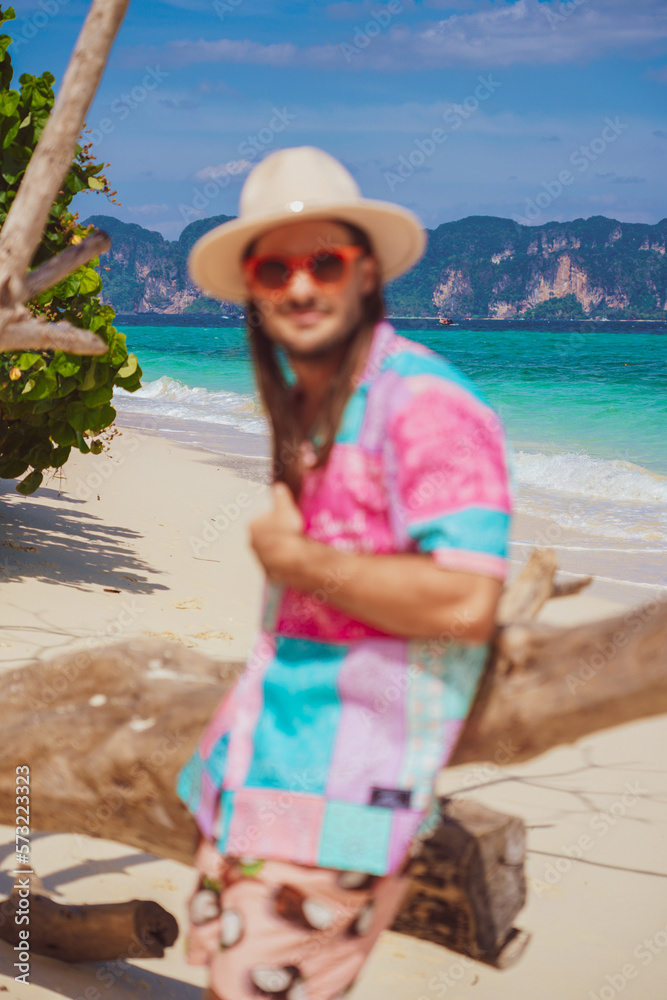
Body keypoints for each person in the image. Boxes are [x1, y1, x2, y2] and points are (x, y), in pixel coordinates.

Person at [176, 146, 513, 1000]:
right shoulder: (314, 403)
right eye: (274, 266)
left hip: (338, 804)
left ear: (364, 273)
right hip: (256, 774)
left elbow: (467, 600)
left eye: (324, 261)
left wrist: (297, 561)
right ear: (250, 283)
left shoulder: (425, 406)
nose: (299, 286)